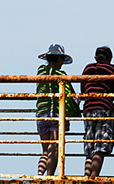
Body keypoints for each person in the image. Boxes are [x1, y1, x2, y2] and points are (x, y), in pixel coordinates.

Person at [80, 46, 114, 178]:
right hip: (104, 107)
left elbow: (83, 89)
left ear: (95, 57)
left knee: (90, 146)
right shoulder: (113, 69)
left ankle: (86, 176)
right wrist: (110, 93)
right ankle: (93, 177)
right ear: (110, 58)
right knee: (101, 146)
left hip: (89, 107)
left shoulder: (88, 68)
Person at [36, 44, 79, 176]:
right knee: (54, 148)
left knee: (45, 150)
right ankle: (49, 176)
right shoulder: (61, 75)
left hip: (41, 113)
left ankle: (39, 174)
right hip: (55, 113)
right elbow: (73, 94)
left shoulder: (40, 71)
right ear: (59, 59)